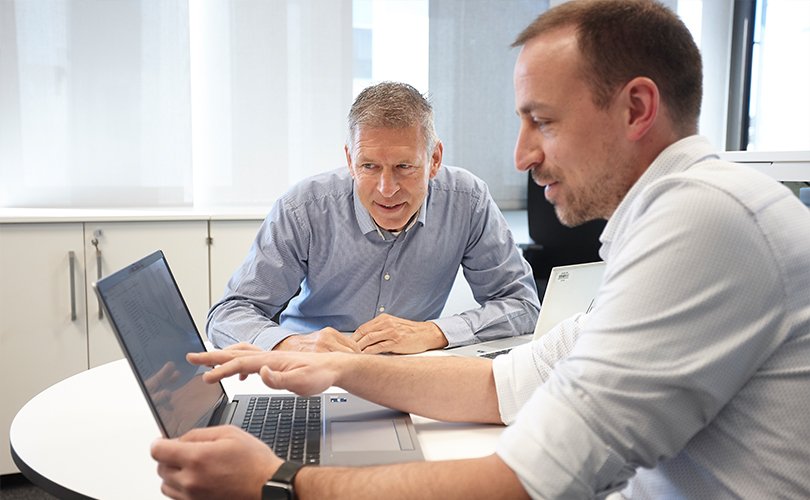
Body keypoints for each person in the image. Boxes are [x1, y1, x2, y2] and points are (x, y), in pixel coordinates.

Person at [152, 1, 810, 498]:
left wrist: (279, 480)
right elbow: (506, 384)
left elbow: (528, 480)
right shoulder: (681, 218)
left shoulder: (707, 225)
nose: (522, 154)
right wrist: (339, 369)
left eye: (542, 120)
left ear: (636, 108)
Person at [207, 81, 540, 355]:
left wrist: (434, 332)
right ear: (350, 161)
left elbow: (521, 304)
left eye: (404, 167)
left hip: (408, 373)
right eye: (369, 167)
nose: (387, 189)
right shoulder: (303, 208)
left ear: (434, 159)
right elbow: (228, 315)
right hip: (312, 371)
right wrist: (291, 344)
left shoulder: (467, 201)